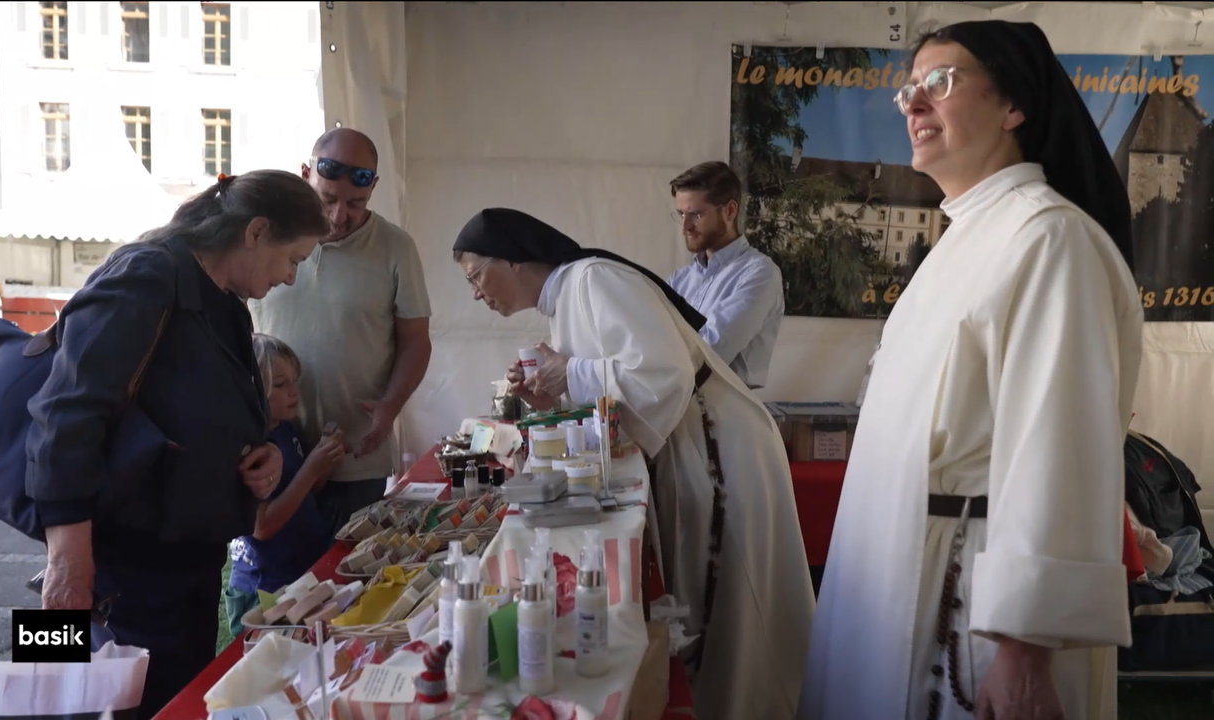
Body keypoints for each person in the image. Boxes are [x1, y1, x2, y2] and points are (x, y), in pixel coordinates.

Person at [798, 21, 1143, 720]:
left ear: (1013, 107)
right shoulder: (969, 236)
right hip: (897, 560)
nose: (912, 103)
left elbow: (1060, 447)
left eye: (940, 82)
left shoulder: (1048, 238)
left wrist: (1022, 649)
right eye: (908, 88)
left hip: (971, 606)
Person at [452, 208, 816, 720]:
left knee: (743, 607)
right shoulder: (565, 301)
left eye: (474, 277)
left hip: (718, 446)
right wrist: (549, 396)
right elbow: (610, 394)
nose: (474, 293)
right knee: (723, 609)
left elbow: (663, 372)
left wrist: (569, 370)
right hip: (689, 443)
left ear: (513, 260)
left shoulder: (593, 279)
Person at [26, 170, 329, 718]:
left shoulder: (225, 301)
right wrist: (68, 560)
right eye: (295, 259)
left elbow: (206, 413)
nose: (290, 278)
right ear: (257, 231)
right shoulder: (148, 273)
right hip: (120, 571)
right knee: (84, 701)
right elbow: (67, 410)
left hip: (183, 564)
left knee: (173, 700)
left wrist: (264, 456)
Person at [249, 128, 433, 535]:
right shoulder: (264, 239)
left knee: (345, 580)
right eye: (327, 199)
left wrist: (390, 406)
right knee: (276, 574)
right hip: (273, 448)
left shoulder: (395, 248)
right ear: (304, 176)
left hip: (355, 456)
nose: (338, 216)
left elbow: (416, 342)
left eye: (356, 203)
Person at [225, 333, 344, 637]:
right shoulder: (249, 447)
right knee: (263, 665)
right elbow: (260, 527)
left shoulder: (287, 430)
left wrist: (323, 463)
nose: (294, 392)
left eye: (294, 381)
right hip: (263, 587)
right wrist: (310, 470)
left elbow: (307, 492)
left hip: (299, 573)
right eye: (280, 385)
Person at [667, 161, 785, 389]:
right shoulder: (679, 280)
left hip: (727, 417)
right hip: (681, 411)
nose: (685, 227)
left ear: (730, 210)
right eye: (680, 214)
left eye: (696, 215)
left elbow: (709, 353)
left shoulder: (760, 274)